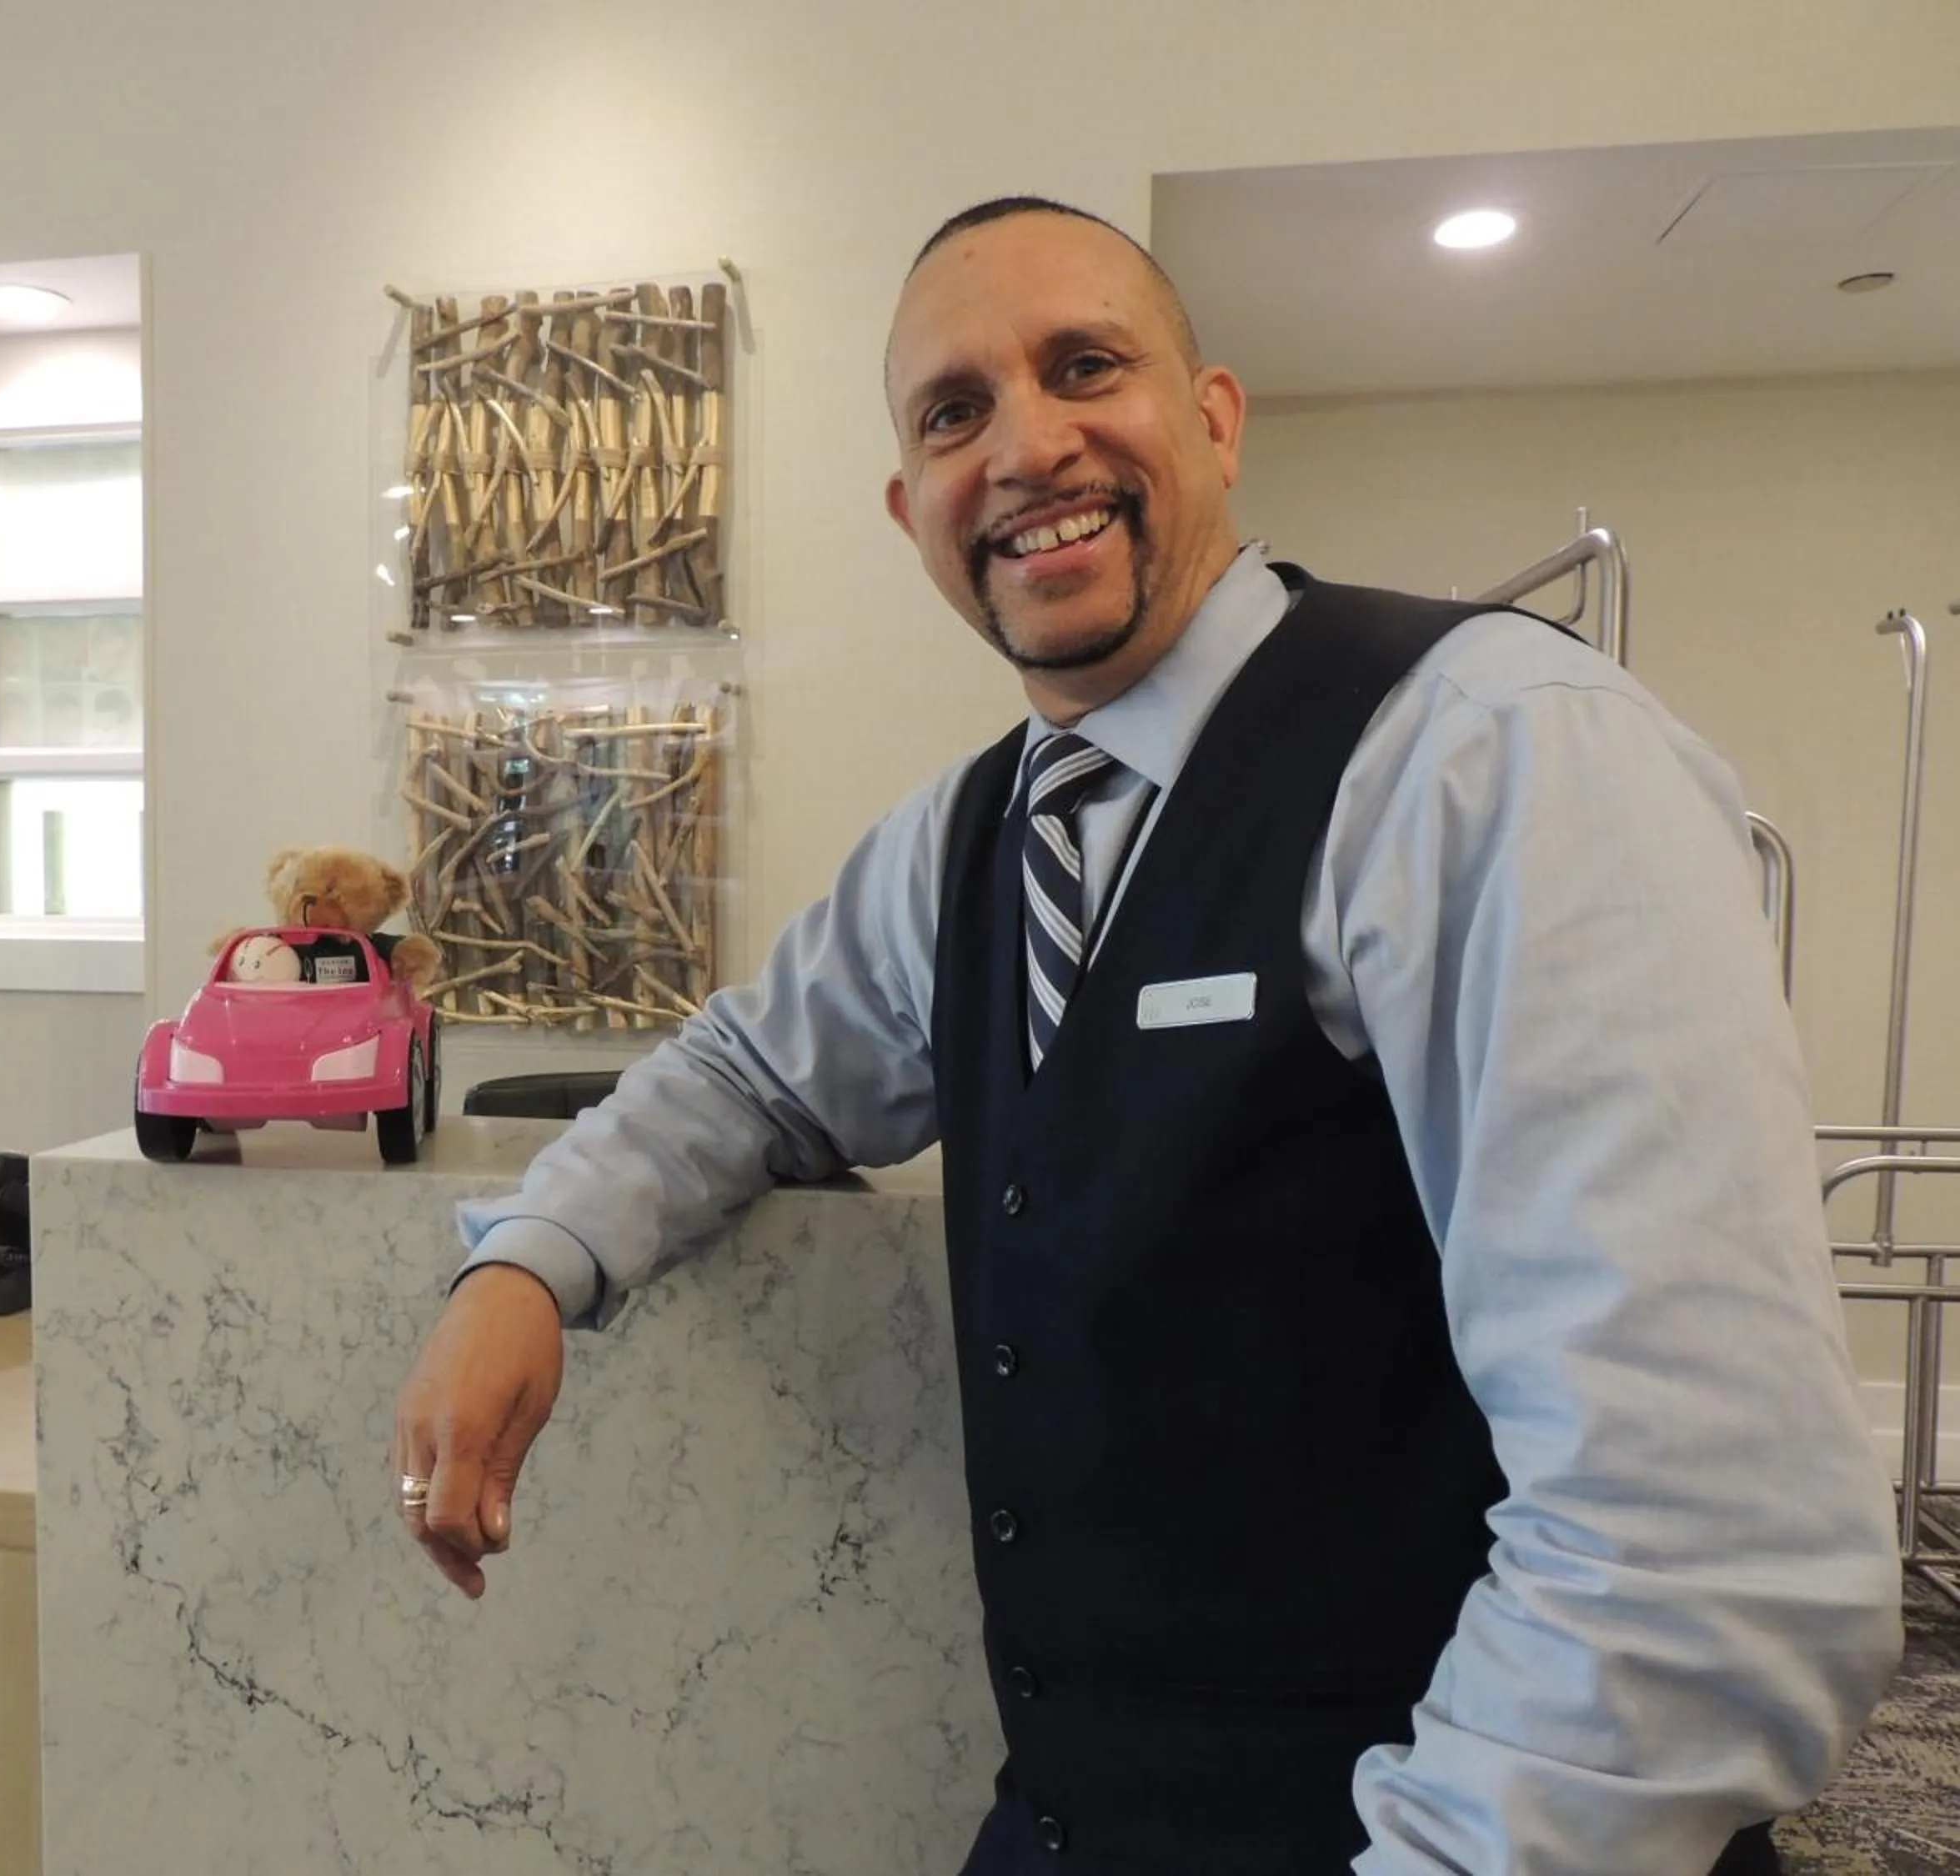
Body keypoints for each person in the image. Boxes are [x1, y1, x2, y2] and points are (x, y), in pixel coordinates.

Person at [390, 197, 1904, 1874]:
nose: (1029, 444)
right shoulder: (959, 845)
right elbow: (743, 1075)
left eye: (1086, 364)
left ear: (1215, 418)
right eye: (955, 412)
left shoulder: (1496, 753)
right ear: (914, 512)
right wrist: (527, 1262)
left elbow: (1703, 1540)